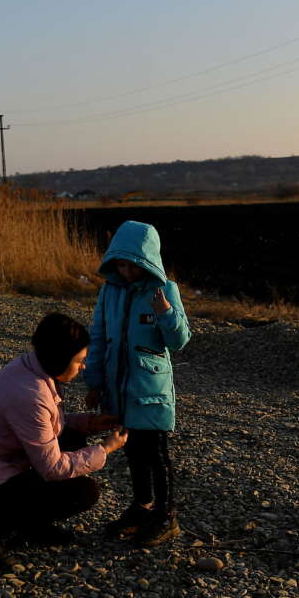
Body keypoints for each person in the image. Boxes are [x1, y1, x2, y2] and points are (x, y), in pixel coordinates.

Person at [0, 312, 128, 571]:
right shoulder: (29, 394)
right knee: (83, 492)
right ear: (59, 358)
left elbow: (46, 427)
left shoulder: (31, 367)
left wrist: (87, 423)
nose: (83, 367)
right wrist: (104, 449)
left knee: (75, 437)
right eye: (79, 361)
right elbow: (52, 468)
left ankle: (32, 527)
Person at [83, 220, 191, 546]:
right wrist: (94, 381)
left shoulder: (164, 290)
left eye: (133, 265)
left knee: (156, 453)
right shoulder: (109, 290)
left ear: (147, 261)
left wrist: (166, 313)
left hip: (150, 390)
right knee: (131, 451)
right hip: (117, 388)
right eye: (121, 264)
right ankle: (142, 507)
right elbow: (99, 337)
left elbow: (180, 341)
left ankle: (166, 514)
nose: (127, 272)